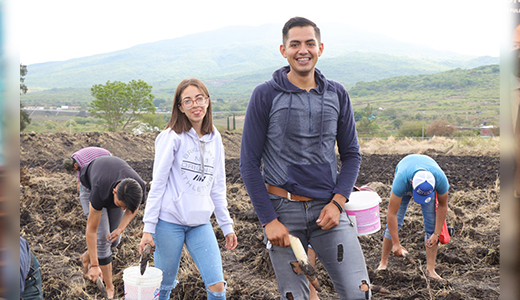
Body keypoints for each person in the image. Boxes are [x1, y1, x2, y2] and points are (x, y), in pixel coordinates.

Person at [240, 17, 371, 300]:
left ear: (320, 48)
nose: (303, 50)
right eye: (295, 44)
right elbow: (249, 164)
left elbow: (351, 155)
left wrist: (338, 202)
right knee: (294, 297)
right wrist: (268, 221)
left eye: (309, 43)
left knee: (359, 292)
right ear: (283, 50)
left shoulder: (337, 93)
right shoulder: (265, 95)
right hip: (283, 213)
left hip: (329, 212)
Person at [139, 78, 238, 300]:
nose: (195, 105)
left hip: (200, 224)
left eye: (199, 99)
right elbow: (158, 185)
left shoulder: (215, 138)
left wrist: (226, 225)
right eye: (188, 101)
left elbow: (218, 186)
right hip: (169, 223)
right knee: (164, 286)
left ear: (208, 102)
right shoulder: (171, 137)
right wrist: (148, 228)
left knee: (217, 286)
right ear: (180, 107)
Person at [80, 156, 146, 299]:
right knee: (103, 240)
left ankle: (87, 257)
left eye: (125, 207)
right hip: (91, 187)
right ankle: (110, 288)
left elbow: (132, 209)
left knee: (113, 240)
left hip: (112, 189)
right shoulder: (99, 189)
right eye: (121, 205)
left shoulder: (137, 188)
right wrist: (95, 265)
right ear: (115, 191)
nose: (123, 209)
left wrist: (120, 229)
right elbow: (91, 230)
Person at [376, 154, 449, 281]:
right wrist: (396, 244)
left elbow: (443, 206)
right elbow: (391, 214)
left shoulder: (441, 180)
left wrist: (437, 233)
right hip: (405, 174)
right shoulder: (401, 181)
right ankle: (383, 263)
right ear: (412, 183)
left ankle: (431, 270)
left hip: (426, 180)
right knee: (395, 222)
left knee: (431, 225)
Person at [63, 147, 112, 215]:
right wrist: (78, 183)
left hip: (105, 157)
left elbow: (89, 175)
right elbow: (79, 171)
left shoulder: (85, 164)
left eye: (72, 170)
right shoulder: (74, 159)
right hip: (96, 158)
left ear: (75, 165)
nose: (72, 171)